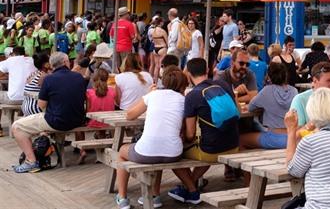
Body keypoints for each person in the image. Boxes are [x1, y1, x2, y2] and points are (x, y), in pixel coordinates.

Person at [114, 67, 188, 209]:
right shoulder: (183, 100)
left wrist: (148, 94)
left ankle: (122, 197)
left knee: (122, 151)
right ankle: (154, 196)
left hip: (146, 152)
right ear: (182, 86)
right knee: (159, 149)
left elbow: (129, 115)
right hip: (174, 153)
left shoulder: (154, 95)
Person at [169, 58, 240, 204]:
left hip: (211, 151)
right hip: (234, 146)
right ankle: (191, 185)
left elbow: (190, 135)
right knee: (209, 141)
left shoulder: (192, 96)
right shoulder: (223, 85)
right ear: (207, 70)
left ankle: (191, 189)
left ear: (189, 74)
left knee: (171, 152)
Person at [12, 52, 88, 173]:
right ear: (65, 62)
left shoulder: (49, 79)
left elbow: (41, 105)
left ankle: (31, 161)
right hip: (78, 120)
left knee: (16, 127)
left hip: (57, 121)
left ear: (52, 64)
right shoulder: (79, 77)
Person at [242, 62, 297, 150]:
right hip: (292, 135)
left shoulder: (267, 90)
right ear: (285, 75)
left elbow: (250, 107)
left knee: (241, 139)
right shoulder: (294, 91)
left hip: (274, 137)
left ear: (269, 76)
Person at [289, 61, 330, 132]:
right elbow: (295, 135)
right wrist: (317, 120)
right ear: (315, 81)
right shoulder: (300, 100)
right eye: (328, 81)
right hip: (312, 139)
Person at [81, 68, 117, 163]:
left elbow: (88, 110)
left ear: (93, 79)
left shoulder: (89, 92)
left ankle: (97, 154)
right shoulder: (112, 91)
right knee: (106, 127)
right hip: (109, 121)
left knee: (97, 128)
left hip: (95, 121)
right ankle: (108, 150)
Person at [22, 52, 50, 117]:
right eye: (50, 60)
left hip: (26, 108)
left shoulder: (33, 74)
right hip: (36, 110)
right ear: (45, 64)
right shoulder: (44, 76)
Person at [149, 16, 167, 81]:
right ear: (161, 23)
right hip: (162, 48)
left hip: (155, 48)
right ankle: (164, 82)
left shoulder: (153, 31)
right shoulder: (162, 31)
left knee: (156, 66)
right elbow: (167, 41)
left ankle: (155, 82)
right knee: (162, 66)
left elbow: (152, 40)